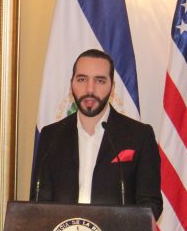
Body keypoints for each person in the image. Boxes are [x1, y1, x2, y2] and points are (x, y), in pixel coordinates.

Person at [31, 49, 162, 218]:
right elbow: (39, 204)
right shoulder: (51, 136)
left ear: (112, 87)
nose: (90, 89)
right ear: (71, 84)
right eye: (82, 79)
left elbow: (151, 204)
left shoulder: (139, 136)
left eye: (99, 81)